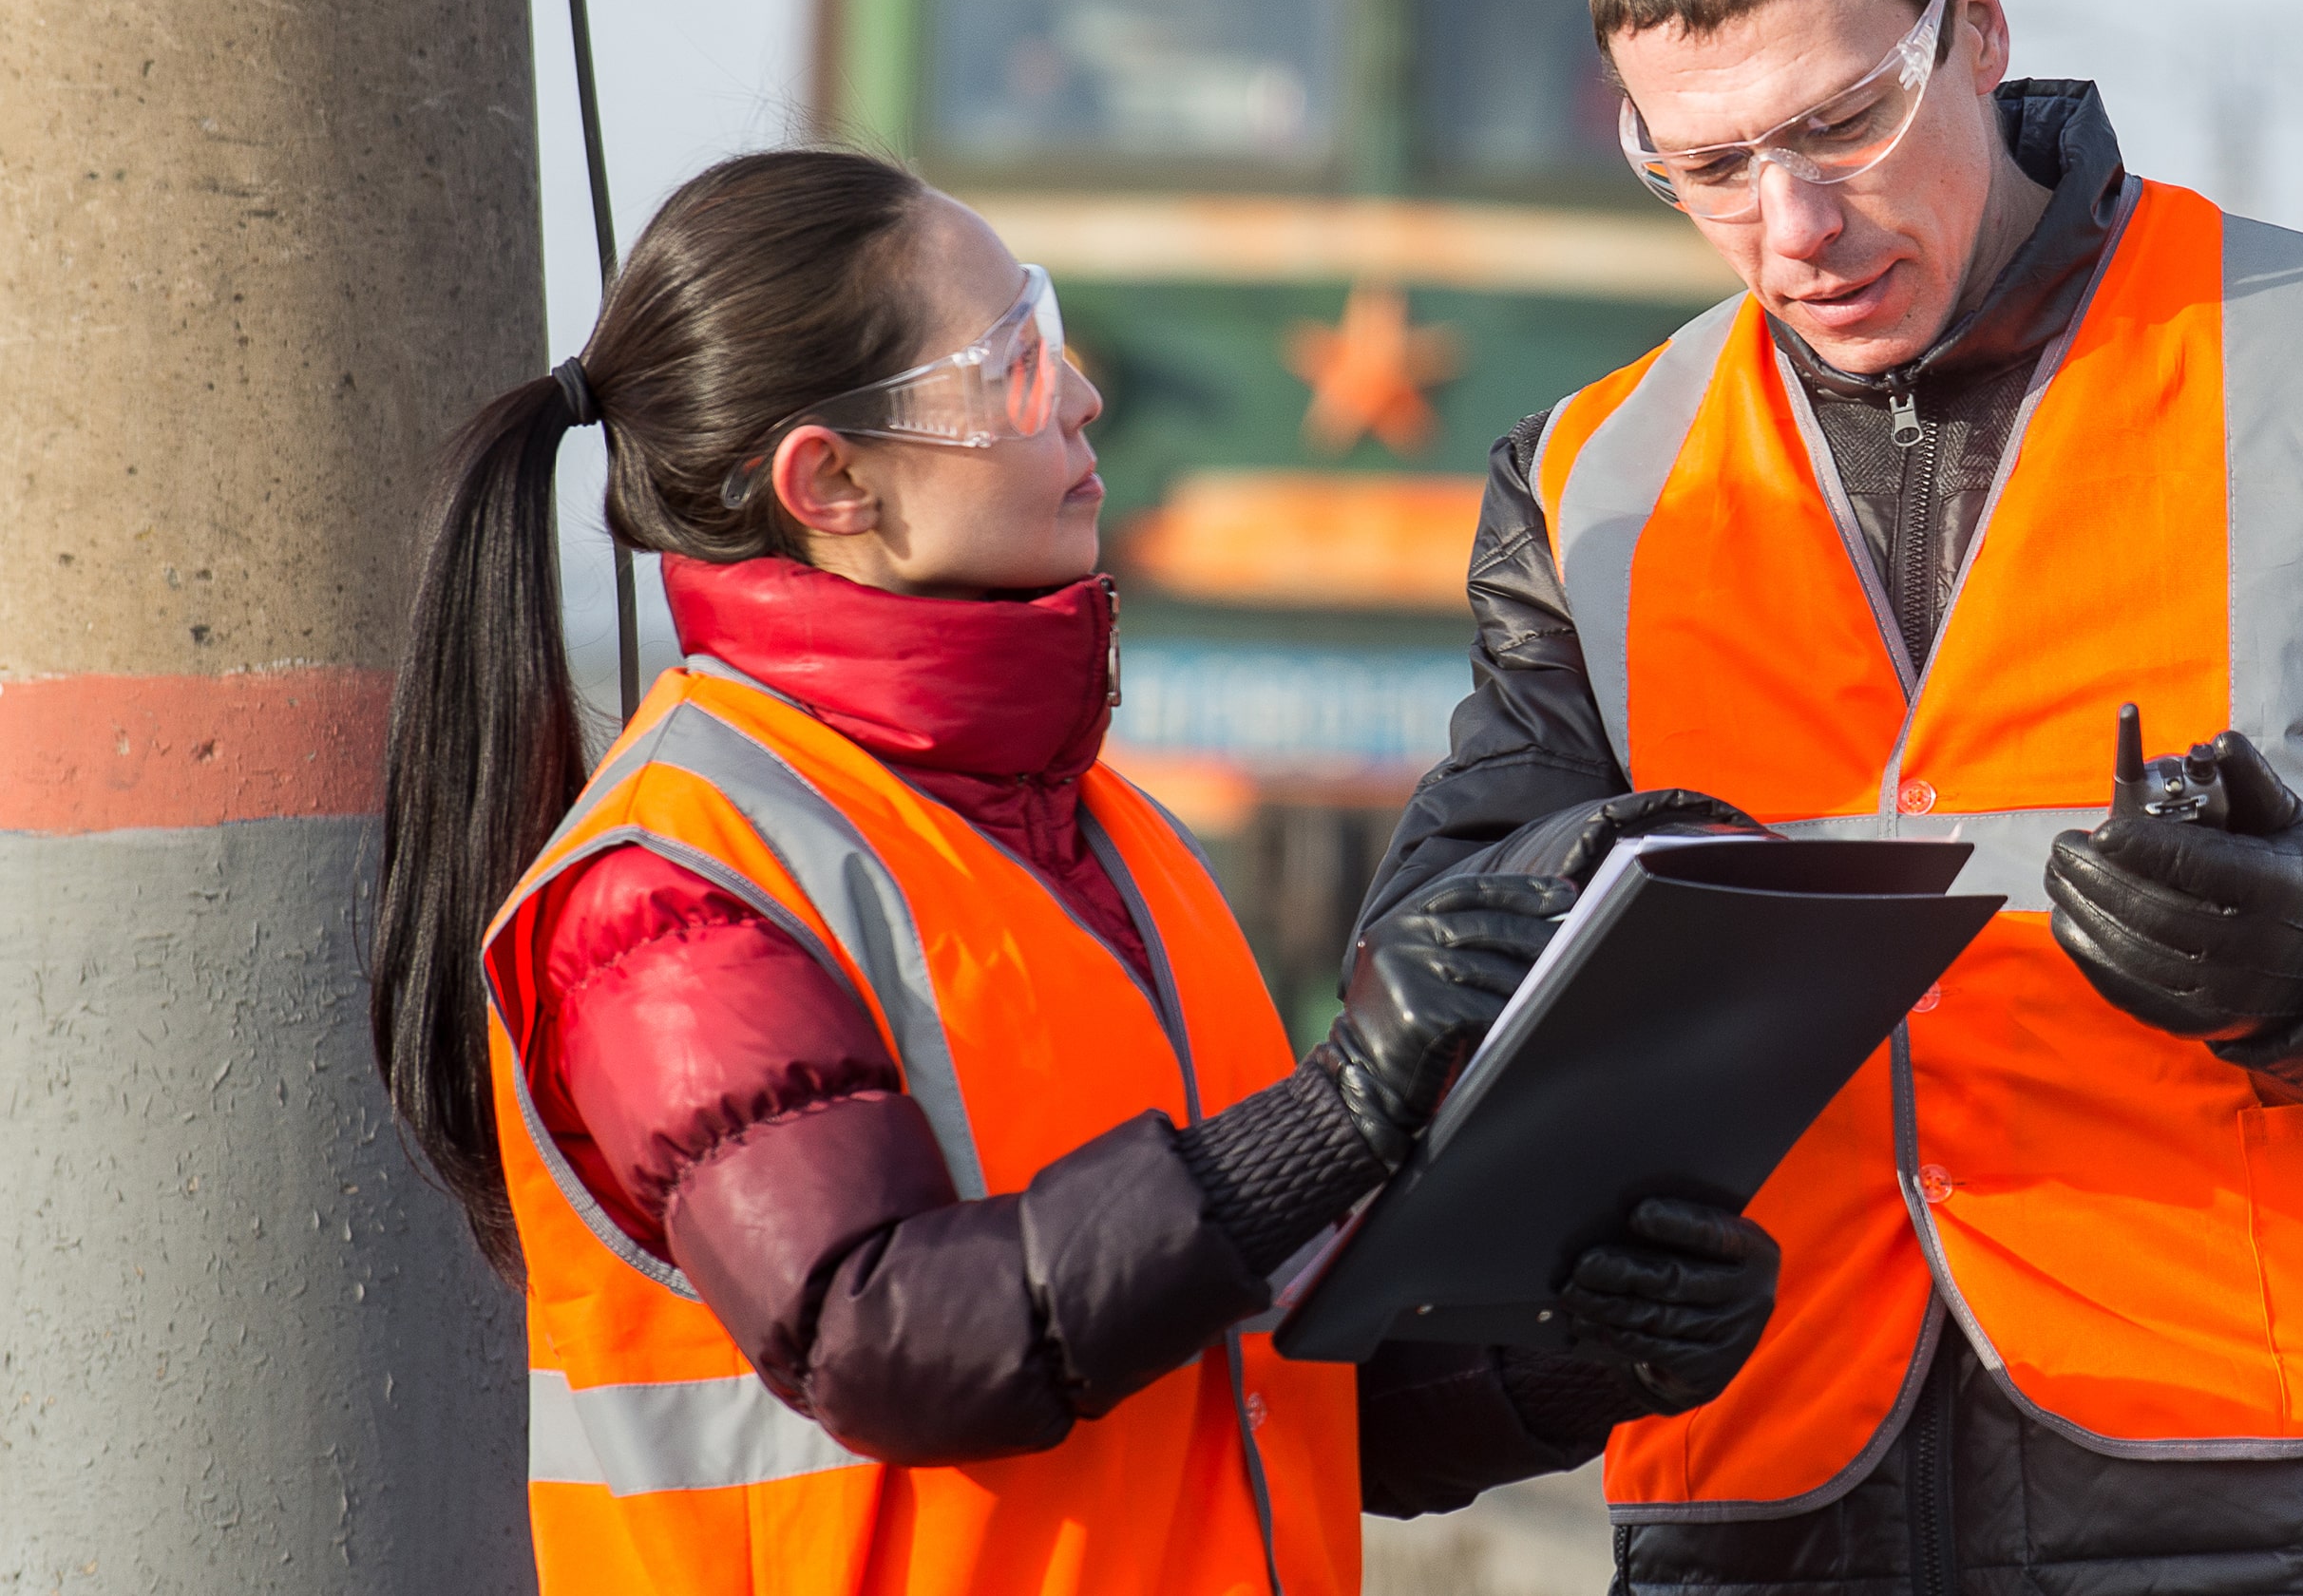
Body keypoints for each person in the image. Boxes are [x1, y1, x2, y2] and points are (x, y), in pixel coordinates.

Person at [1371, 0, 2303, 1593]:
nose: (1793, 226)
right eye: (1704, 167)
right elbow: (1428, 998)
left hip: (2271, 1520)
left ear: (1977, 22)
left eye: (1844, 121)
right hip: (1758, 1519)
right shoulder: (1594, 485)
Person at [365, 148, 1784, 1596]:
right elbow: (887, 1335)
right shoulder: (668, 896)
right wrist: (1335, 1111)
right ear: (831, 479)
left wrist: (1570, 1353)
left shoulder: (1114, 837)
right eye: (1015, 359)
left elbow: (1239, 1375)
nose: (1085, 393)